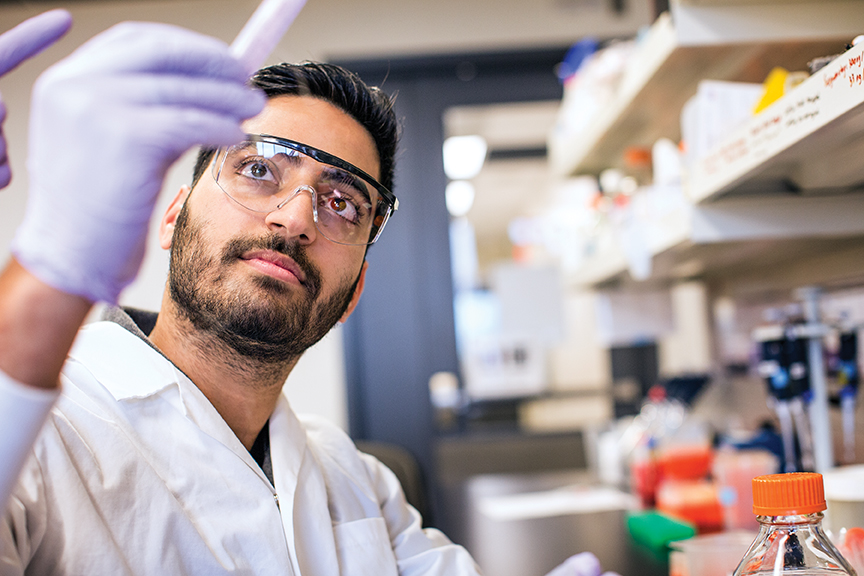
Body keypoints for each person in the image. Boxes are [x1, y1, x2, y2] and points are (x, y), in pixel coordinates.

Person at [0, 14, 619, 576]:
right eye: (259, 168)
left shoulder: (358, 480)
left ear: (355, 292)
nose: (297, 218)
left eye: (342, 203)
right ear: (173, 218)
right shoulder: (45, 433)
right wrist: (53, 266)